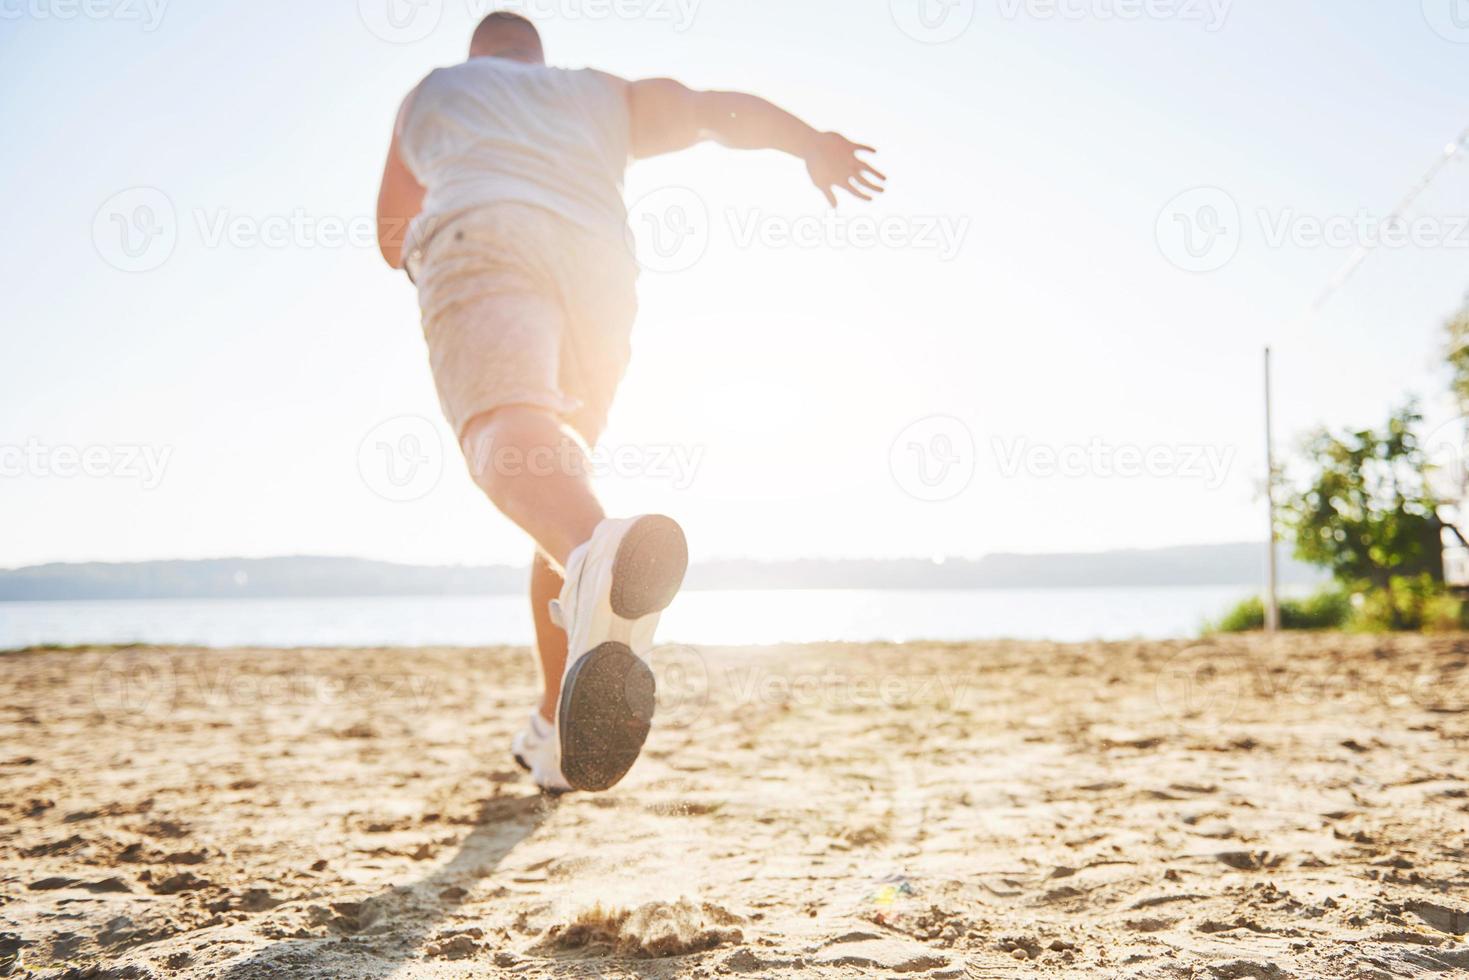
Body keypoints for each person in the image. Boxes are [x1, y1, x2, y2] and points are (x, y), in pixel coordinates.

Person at [375, 11, 885, 793]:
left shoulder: (437, 91)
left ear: (480, 52)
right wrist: (811, 143)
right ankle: (553, 728)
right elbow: (715, 110)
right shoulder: (596, 94)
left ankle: (592, 558)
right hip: (599, 269)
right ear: (539, 56)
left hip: (485, 231)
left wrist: (424, 259)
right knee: (559, 482)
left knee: (502, 436)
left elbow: (389, 226)